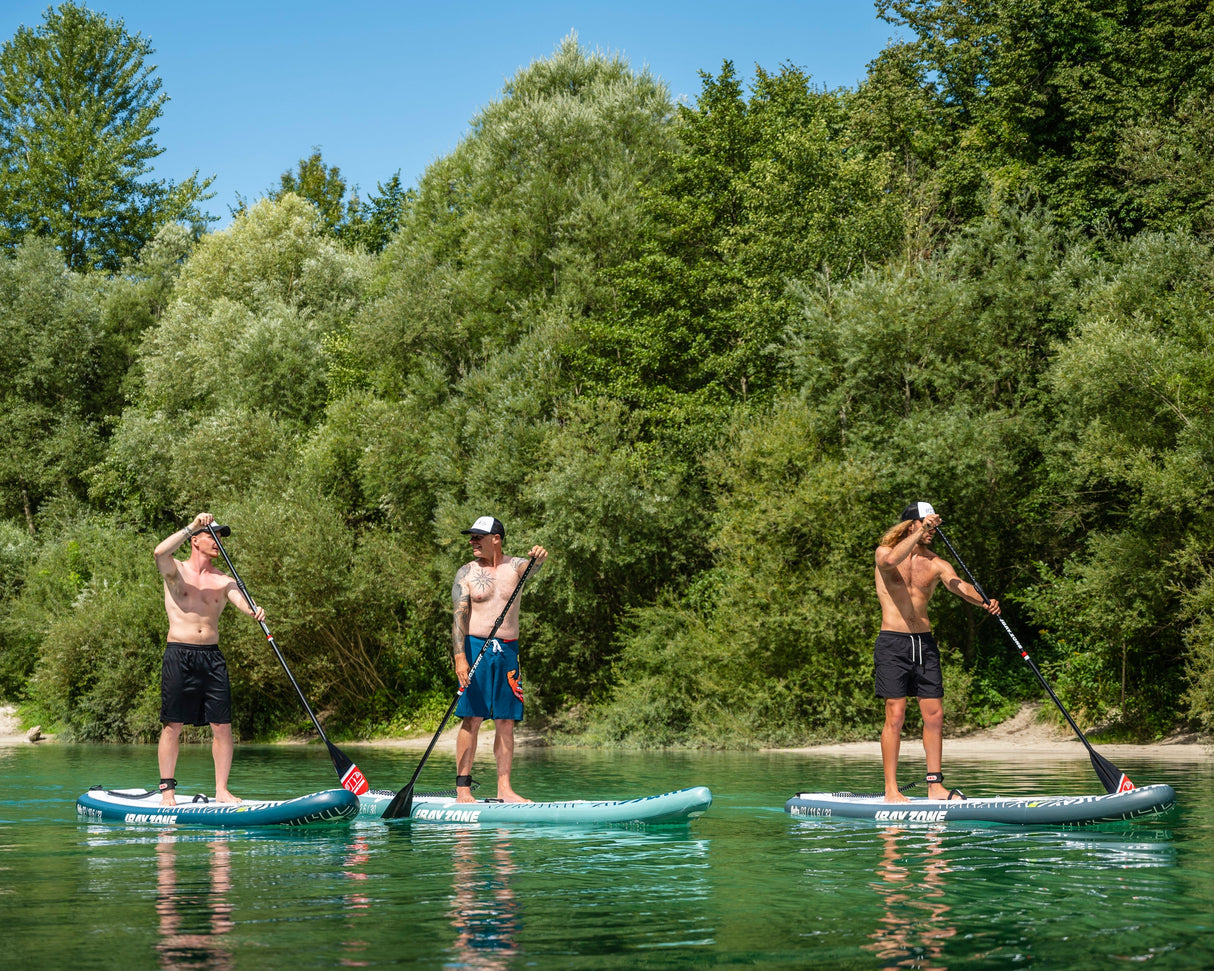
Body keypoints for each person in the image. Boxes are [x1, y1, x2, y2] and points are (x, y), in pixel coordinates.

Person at [873, 501, 1000, 802]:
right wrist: (919, 533)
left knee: (935, 716)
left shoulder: (935, 562)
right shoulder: (884, 553)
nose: (934, 531)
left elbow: (958, 585)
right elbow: (890, 561)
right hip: (893, 641)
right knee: (896, 714)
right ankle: (891, 790)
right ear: (911, 525)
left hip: (924, 644)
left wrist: (983, 599)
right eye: (927, 524)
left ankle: (935, 786)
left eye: (935, 525)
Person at [153, 512, 265, 806]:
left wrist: (253, 610)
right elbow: (159, 551)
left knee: (222, 725)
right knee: (172, 725)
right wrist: (192, 525)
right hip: (179, 654)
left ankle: (222, 790)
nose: (218, 542)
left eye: (220, 538)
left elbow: (240, 598)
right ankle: (168, 792)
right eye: (212, 536)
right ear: (195, 541)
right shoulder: (175, 570)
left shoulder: (224, 580)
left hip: (212, 658)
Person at [452, 516, 548, 804]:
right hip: (474, 646)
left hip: (508, 651)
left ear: (496, 538)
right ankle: (462, 789)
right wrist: (459, 657)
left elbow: (534, 567)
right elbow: (459, 617)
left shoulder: (516, 567)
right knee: (473, 717)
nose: (472, 541)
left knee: (506, 721)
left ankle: (504, 789)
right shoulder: (466, 572)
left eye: (478, 536)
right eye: (471, 537)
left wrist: (539, 557)